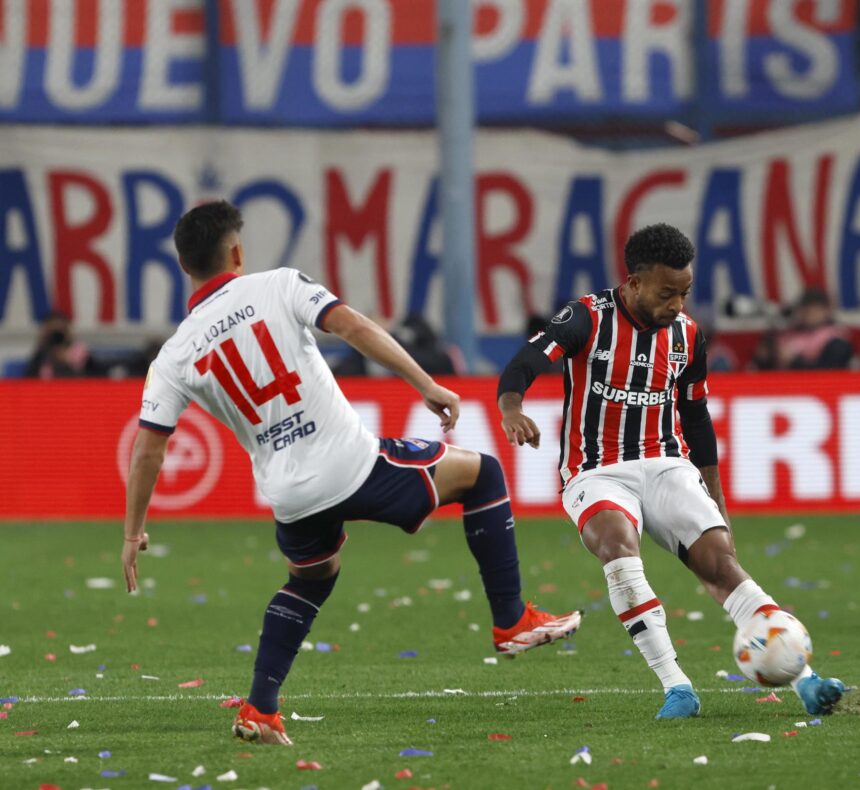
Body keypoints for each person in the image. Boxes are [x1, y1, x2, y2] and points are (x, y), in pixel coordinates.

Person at [121, 201, 581, 746]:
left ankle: (261, 710)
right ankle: (511, 620)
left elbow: (149, 449)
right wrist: (426, 383)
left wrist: (133, 532)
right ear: (237, 252)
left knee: (312, 577)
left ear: (182, 266)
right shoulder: (279, 285)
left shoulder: (173, 355)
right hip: (354, 465)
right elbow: (354, 328)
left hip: (289, 494)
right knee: (481, 473)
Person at [496, 223, 845, 720]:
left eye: (684, 292)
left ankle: (805, 681)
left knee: (720, 562)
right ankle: (676, 685)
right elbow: (524, 362)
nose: (677, 304)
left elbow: (696, 416)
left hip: (667, 464)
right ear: (634, 283)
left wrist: (716, 494)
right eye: (667, 293)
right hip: (597, 470)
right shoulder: (586, 317)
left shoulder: (688, 335)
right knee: (618, 548)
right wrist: (512, 408)